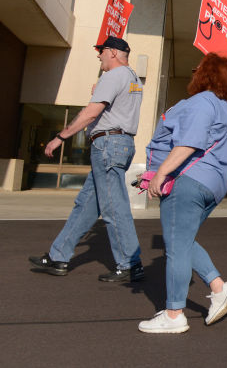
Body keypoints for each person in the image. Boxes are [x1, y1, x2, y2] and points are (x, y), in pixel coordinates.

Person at [137, 53, 227, 334]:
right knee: (182, 240)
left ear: (206, 74)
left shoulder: (202, 102)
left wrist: (160, 174)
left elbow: (189, 143)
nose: (193, 71)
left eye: (197, 68)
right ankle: (219, 287)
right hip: (214, 184)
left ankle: (174, 315)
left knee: (175, 247)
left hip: (189, 180)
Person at [29, 36, 144, 282]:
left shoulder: (113, 76)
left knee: (114, 207)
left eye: (101, 52)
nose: (99, 56)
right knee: (86, 205)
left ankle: (130, 264)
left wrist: (60, 137)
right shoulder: (133, 78)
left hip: (108, 145)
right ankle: (58, 256)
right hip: (118, 144)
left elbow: (91, 113)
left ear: (113, 52)